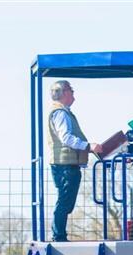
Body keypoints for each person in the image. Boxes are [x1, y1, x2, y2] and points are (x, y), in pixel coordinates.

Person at [48, 80, 103, 242]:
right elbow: (66, 138)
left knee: (66, 200)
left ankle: (59, 234)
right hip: (65, 164)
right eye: (71, 90)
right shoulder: (61, 113)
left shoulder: (61, 112)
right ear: (64, 92)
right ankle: (59, 236)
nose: (73, 93)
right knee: (65, 200)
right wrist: (88, 146)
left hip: (64, 163)